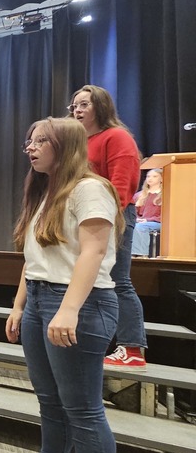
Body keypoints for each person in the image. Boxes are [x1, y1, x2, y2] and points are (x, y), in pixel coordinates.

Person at [0, 117, 121, 453]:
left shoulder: (90, 189)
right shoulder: (47, 191)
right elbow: (36, 258)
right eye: (29, 142)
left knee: (84, 408)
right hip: (39, 298)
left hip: (78, 304)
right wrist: (19, 306)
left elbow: (95, 250)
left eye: (40, 142)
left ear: (64, 146)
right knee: (51, 397)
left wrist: (68, 310)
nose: (31, 149)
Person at [71, 85, 147, 370]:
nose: (77, 110)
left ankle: (132, 348)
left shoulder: (117, 137)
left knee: (118, 281)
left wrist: (110, 218)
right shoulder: (81, 142)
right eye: (75, 106)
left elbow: (122, 184)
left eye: (84, 105)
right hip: (86, 216)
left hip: (113, 216)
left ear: (100, 107)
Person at [131, 168, 162, 257]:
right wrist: (137, 219)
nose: (150, 178)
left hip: (158, 222)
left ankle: (141, 254)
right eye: (148, 176)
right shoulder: (139, 195)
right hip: (141, 222)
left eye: (154, 176)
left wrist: (147, 220)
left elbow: (166, 215)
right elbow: (133, 211)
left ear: (161, 179)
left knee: (140, 227)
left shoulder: (165, 194)